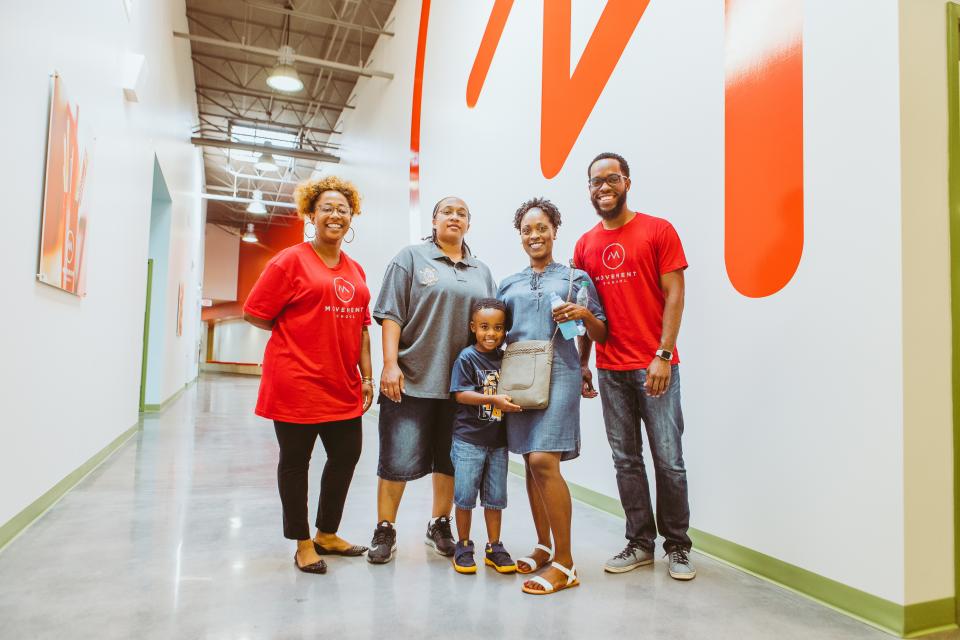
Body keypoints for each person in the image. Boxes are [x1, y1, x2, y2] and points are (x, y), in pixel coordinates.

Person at [573, 151, 696, 581]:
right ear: (589, 190)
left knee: (669, 461)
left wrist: (663, 353)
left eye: (611, 179)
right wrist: (583, 361)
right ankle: (640, 542)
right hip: (610, 369)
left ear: (627, 182)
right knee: (626, 459)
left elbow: (675, 293)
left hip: (655, 367)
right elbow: (588, 310)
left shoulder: (658, 231)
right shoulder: (585, 244)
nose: (603, 188)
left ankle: (677, 547)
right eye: (595, 182)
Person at [243, 175, 374, 574]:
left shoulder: (355, 269)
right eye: (327, 208)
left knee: (346, 455)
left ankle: (327, 533)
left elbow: (363, 327)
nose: (336, 215)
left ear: (351, 217)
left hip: (342, 383)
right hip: (296, 382)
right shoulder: (289, 261)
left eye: (343, 209)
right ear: (311, 214)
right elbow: (255, 312)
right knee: (296, 462)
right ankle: (302, 542)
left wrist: (367, 378)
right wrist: (296, 337)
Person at [368, 197, 497, 564]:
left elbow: (488, 326)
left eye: (462, 214)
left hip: (461, 387)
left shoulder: (481, 271)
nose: (454, 217)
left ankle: (440, 523)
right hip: (411, 379)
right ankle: (385, 528)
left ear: (468, 224)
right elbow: (391, 314)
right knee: (397, 459)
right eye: (447, 212)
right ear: (434, 220)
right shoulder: (410, 258)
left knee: (449, 462)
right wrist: (389, 364)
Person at [498, 197, 607, 595]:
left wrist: (584, 319)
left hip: (560, 372)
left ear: (555, 230)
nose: (534, 235)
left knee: (545, 460)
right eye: (527, 230)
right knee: (530, 462)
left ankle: (566, 562)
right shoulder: (508, 283)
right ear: (520, 236)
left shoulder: (576, 279)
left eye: (541, 227)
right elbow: (496, 332)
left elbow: (600, 333)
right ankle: (544, 546)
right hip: (519, 375)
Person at [448, 298, 520, 575]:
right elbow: (461, 394)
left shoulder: (506, 359)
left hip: (498, 443)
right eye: (485, 327)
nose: (492, 333)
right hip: (469, 441)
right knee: (465, 497)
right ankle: (464, 545)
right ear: (473, 328)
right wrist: (494, 399)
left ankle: (494, 547)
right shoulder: (467, 357)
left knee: (495, 498)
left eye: (498, 328)